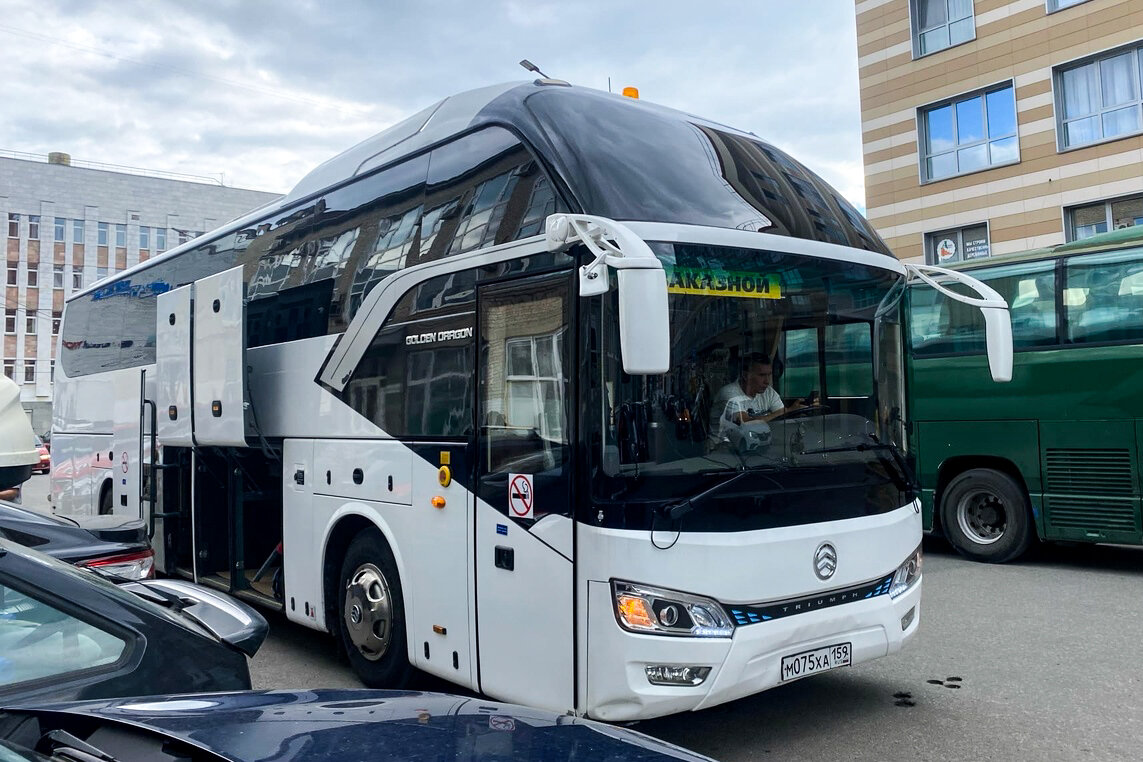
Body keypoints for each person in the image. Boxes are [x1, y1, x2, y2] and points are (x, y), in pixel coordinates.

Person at [711, 354, 805, 447]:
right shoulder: (728, 393)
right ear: (745, 375)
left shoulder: (769, 393)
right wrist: (787, 411)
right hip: (721, 448)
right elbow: (746, 422)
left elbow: (780, 420)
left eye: (769, 375)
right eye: (762, 375)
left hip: (752, 445)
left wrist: (793, 411)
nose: (767, 381)